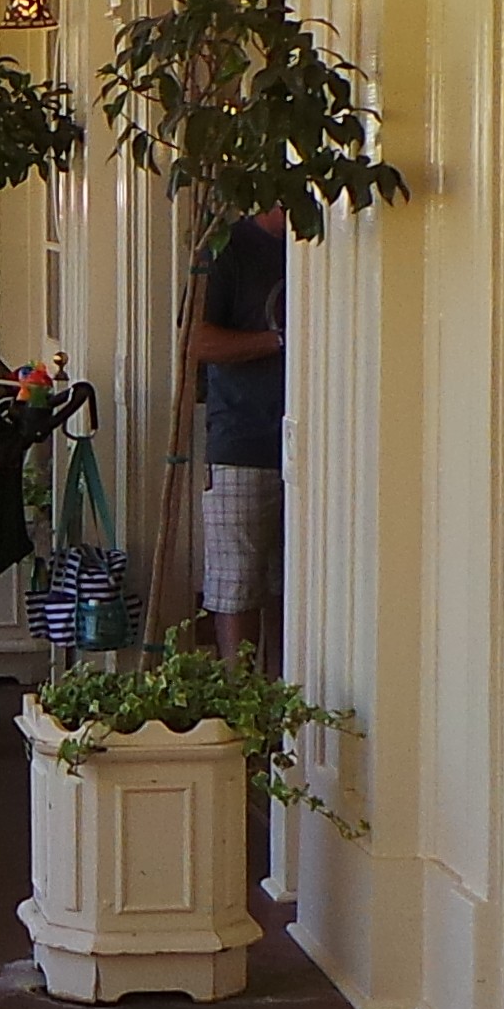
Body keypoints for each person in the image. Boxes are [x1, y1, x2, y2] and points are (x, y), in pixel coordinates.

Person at [189, 207, 290, 667]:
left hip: (323, 450)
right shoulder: (227, 246)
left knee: (296, 586)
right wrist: (280, 341)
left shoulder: (329, 242)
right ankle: (240, 706)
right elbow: (196, 341)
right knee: (236, 585)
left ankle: (288, 708)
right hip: (242, 442)